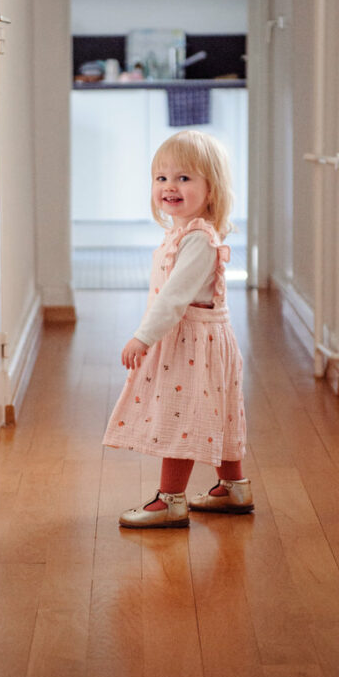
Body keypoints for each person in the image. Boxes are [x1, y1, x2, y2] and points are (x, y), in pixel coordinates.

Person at [103, 129, 254, 528]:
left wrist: (143, 337)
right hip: (200, 339)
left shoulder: (199, 240)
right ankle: (234, 487)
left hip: (194, 342)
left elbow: (173, 297)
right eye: (162, 177)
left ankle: (171, 499)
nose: (170, 186)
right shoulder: (183, 234)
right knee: (219, 411)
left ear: (211, 189)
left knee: (181, 413)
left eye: (184, 178)